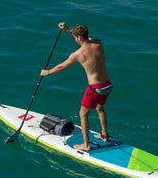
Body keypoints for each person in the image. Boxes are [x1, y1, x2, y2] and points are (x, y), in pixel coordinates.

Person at [40, 22, 112, 151]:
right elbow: (86, 38)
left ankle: (86, 145)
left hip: (94, 89)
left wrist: (48, 72)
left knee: (83, 114)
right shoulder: (97, 43)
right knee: (100, 109)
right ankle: (104, 135)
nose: (75, 40)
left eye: (75, 37)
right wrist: (67, 30)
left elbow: (61, 66)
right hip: (107, 85)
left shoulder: (78, 54)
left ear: (79, 37)